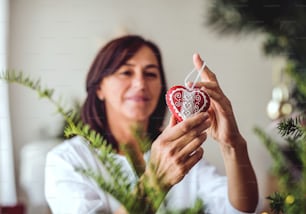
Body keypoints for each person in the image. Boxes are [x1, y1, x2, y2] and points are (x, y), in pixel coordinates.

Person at [45, 35, 259, 213]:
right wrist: (156, 180)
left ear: (161, 88)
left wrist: (233, 145)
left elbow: (240, 209)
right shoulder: (67, 160)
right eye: (126, 72)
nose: (140, 83)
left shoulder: (181, 154)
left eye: (150, 74)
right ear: (99, 87)